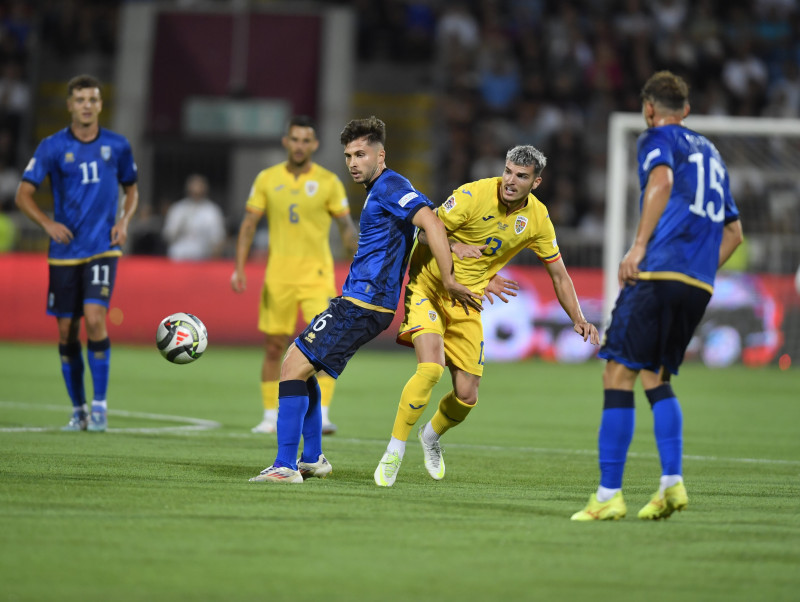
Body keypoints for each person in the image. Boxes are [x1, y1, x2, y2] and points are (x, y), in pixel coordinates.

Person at [248, 115, 482, 483]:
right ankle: (310, 459)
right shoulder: (383, 190)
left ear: (381, 154)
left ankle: (285, 467)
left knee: (292, 366)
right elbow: (421, 228)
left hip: (365, 302)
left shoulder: (390, 185)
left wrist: (449, 276)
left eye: (360, 154)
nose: (353, 163)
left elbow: (431, 222)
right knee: (302, 366)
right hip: (361, 300)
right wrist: (454, 246)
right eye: (348, 156)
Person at [373, 145, 600, 487]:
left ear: (535, 182)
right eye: (508, 171)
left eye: (521, 176)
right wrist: (454, 247)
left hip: (467, 300)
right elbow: (423, 231)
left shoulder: (537, 219)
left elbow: (559, 275)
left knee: (467, 395)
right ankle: (394, 449)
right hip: (430, 287)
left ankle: (431, 436)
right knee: (431, 368)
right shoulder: (472, 195)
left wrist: (578, 318)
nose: (510, 180)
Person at [571, 71, 743, 521]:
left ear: (650, 110)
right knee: (655, 375)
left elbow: (662, 183)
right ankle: (670, 484)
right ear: (685, 110)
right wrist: (699, 272)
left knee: (617, 373)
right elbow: (735, 234)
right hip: (698, 283)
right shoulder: (714, 155)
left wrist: (640, 246)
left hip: (658, 272)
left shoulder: (656, 138)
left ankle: (609, 494)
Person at [14, 74, 139, 432]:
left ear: (101, 105)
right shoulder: (52, 146)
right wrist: (47, 224)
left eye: (93, 99)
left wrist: (124, 221)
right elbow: (23, 193)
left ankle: (99, 406)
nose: (87, 105)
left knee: (95, 317)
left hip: (103, 247)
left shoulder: (117, 146)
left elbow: (132, 190)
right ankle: (79, 409)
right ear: (69, 104)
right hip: (65, 251)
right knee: (67, 331)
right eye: (80, 99)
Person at [231, 116, 358, 436]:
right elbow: (248, 225)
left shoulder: (329, 181)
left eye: (306, 140)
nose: (300, 145)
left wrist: (359, 264)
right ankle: (270, 416)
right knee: (274, 346)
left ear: (314, 145)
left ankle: (323, 414)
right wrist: (239, 267)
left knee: (325, 345)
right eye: (295, 139)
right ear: (286, 142)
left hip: (316, 275)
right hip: (279, 276)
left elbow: (346, 228)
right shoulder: (266, 178)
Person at [162, 173, 226, 261]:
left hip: (202, 258)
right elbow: (168, 234)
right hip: (178, 257)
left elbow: (218, 238)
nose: (196, 191)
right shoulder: (178, 208)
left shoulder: (212, 211)